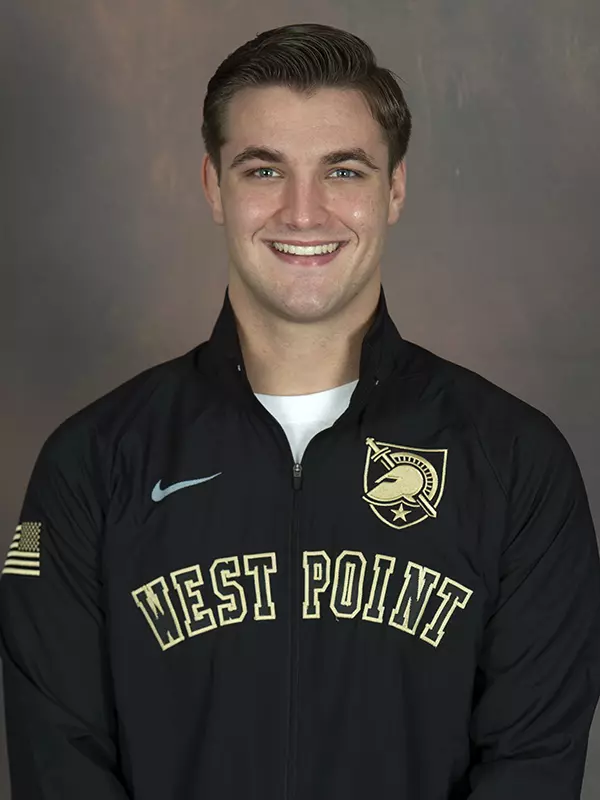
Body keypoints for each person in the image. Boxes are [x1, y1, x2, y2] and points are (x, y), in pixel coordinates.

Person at [1, 21, 599, 800]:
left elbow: (533, 764)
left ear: (395, 189)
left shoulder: (517, 464)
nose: (304, 213)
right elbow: (59, 766)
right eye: (264, 170)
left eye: (343, 171)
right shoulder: (90, 464)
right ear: (214, 185)